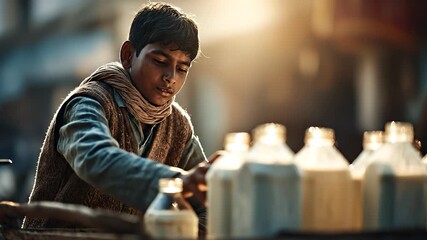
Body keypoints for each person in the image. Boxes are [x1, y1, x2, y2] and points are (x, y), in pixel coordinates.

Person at [22, 1, 215, 235]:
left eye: (182, 68)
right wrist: (174, 183)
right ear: (128, 56)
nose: (170, 77)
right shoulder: (89, 103)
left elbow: (207, 203)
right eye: (160, 61)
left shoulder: (178, 126)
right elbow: (95, 158)